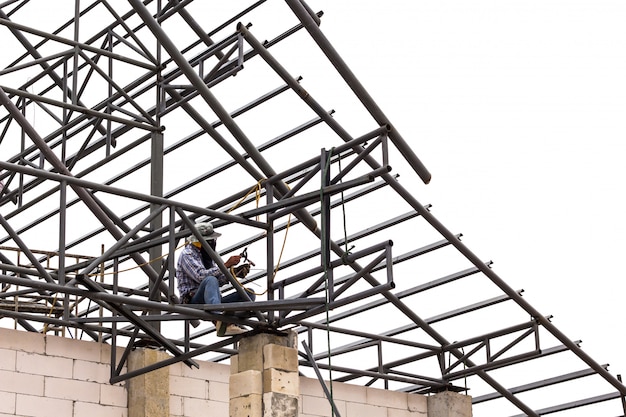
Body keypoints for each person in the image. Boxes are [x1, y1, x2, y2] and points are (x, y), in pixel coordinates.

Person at [176, 222, 255, 336]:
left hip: (212, 301)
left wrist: (234, 273)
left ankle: (231, 319)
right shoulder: (187, 254)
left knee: (249, 294)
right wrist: (226, 265)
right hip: (194, 301)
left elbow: (219, 280)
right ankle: (220, 321)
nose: (213, 243)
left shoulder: (207, 256)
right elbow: (201, 276)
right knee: (210, 280)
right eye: (211, 240)